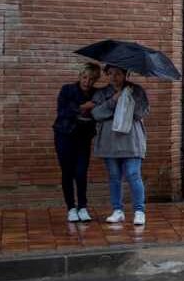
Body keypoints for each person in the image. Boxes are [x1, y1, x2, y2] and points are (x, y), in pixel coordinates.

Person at [89, 66, 150, 226]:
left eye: (118, 74)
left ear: (126, 74)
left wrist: (127, 99)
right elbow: (96, 114)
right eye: (110, 74)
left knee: (133, 174)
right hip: (109, 142)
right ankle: (117, 210)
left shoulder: (136, 90)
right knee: (114, 177)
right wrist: (113, 101)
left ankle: (139, 211)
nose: (114, 77)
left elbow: (141, 113)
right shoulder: (102, 93)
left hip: (132, 141)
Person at [54, 63, 101, 222]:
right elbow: (62, 111)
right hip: (64, 135)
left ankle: (82, 207)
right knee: (67, 172)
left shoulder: (97, 94)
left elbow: (103, 108)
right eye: (85, 77)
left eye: (92, 79)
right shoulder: (67, 90)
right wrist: (83, 107)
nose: (87, 81)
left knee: (81, 172)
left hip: (83, 137)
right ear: (80, 76)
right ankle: (71, 208)